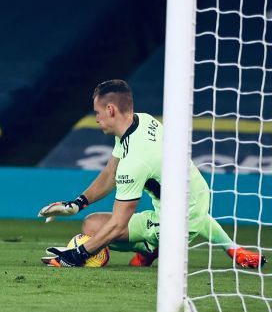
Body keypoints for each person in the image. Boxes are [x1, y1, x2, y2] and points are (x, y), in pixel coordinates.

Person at [39, 79, 266, 268]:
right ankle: (233, 248)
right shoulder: (143, 120)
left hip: (176, 223)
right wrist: (76, 204)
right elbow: (110, 173)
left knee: (99, 229)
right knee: (93, 224)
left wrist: (77, 255)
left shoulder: (136, 161)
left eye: (97, 112)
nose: (96, 118)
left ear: (111, 110)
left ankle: (151, 248)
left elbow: (118, 224)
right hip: (193, 198)